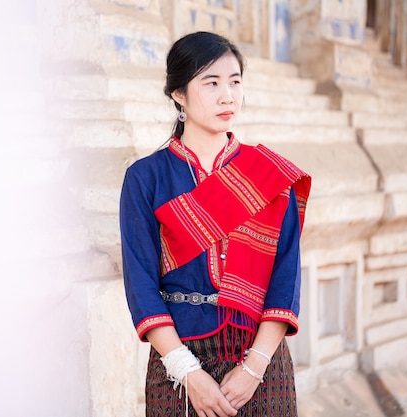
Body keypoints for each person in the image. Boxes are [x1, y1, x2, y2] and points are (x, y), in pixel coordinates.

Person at [119, 32, 311, 417]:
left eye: (235, 82)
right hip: (177, 363)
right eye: (211, 83)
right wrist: (188, 372)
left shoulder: (269, 175)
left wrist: (253, 369)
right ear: (179, 94)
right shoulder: (146, 178)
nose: (228, 96)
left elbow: (285, 277)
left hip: (261, 362)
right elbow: (141, 285)